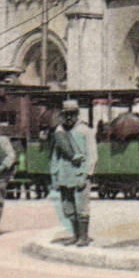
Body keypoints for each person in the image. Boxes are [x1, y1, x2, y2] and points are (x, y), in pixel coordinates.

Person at [48, 100, 93, 247]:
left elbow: (92, 154)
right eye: (66, 114)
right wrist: (54, 175)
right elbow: (55, 155)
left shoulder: (84, 130)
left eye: (72, 114)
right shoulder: (60, 132)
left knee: (81, 205)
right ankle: (75, 235)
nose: (69, 118)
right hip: (64, 172)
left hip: (80, 172)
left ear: (77, 114)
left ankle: (84, 237)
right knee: (68, 206)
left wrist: (87, 174)